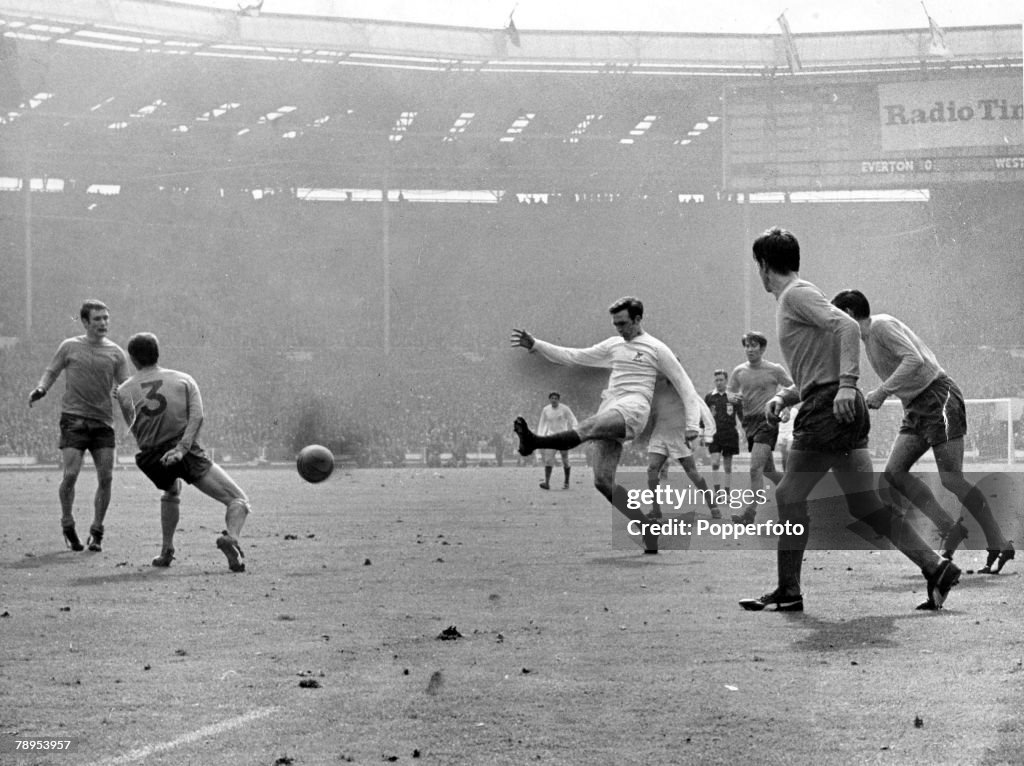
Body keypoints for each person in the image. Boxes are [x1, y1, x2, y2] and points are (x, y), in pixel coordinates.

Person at [739, 227, 960, 613]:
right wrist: (785, 395)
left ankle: (788, 589)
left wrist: (846, 384)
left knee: (789, 495)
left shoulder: (796, 295)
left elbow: (845, 325)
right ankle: (935, 566)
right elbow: (815, 368)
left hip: (831, 407)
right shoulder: (802, 298)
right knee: (865, 505)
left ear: (762, 265)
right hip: (841, 405)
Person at [831, 289, 1013, 574]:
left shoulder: (880, 326)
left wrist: (882, 391)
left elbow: (913, 359)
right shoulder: (868, 340)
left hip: (938, 397)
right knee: (894, 473)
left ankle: (999, 542)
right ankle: (947, 527)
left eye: (838, 319)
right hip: (915, 406)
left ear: (850, 315)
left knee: (952, 478)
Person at [510, 296, 702, 554]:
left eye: (623, 324)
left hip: (634, 409)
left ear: (637, 319)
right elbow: (574, 356)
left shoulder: (657, 349)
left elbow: (685, 385)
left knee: (588, 427)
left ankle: (535, 442)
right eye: (615, 325)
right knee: (602, 481)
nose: (619, 330)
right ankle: (647, 529)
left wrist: (692, 424)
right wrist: (536, 345)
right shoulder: (614, 345)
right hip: (611, 406)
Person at [115, 332, 250, 572]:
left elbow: (134, 429)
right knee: (238, 500)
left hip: (152, 458)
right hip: (184, 451)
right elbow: (197, 417)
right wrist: (180, 449)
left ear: (133, 359)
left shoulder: (124, 390)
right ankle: (231, 538)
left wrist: (157, 449)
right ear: (158, 352)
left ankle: (166, 551)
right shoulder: (184, 379)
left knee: (170, 491)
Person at [29, 299, 131, 552]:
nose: (103, 323)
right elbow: (51, 370)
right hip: (73, 418)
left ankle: (97, 532)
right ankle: (67, 522)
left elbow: (127, 387)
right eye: (97, 319)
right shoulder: (70, 346)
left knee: (106, 477)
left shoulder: (117, 353)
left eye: (106, 318)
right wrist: (42, 388)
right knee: (71, 475)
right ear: (85, 322)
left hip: (103, 421)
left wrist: (125, 396)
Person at [728, 331, 793, 524]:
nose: (749, 349)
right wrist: (731, 397)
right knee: (768, 471)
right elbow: (730, 391)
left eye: (753, 345)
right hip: (749, 423)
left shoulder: (774, 369)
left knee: (755, 468)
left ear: (762, 348)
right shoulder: (739, 371)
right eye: (747, 345)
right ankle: (795, 494)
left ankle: (749, 513)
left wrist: (787, 407)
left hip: (768, 421)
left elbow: (793, 387)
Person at [644, 375, 720, 518]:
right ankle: (656, 509)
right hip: (659, 434)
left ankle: (712, 505)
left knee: (692, 473)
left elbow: (703, 410)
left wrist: (707, 432)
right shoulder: (657, 389)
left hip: (678, 435)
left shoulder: (685, 389)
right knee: (652, 469)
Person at [704, 369, 742, 498]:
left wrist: (746, 428)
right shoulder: (709, 397)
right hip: (714, 434)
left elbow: (741, 414)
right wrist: (702, 431)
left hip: (729, 433)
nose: (719, 382)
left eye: (721, 380)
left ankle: (726, 492)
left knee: (728, 465)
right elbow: (704, 415)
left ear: (726, 381)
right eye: (716, 380)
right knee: (715, 463)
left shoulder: (732, 396)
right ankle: (717, 491)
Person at [536, 392, 578, 490]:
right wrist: (540, 436)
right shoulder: (546, 410)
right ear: (549, 399)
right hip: (551, 437)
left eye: (555, 398)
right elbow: (542, 423)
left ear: (558, 400)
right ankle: (547, 483)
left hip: (563, 436)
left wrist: (575, 431)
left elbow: (573, 419)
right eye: (552, 398)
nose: (554, 400)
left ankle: (566, 482)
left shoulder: (565, 409)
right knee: (548, 460)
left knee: (565, 460)